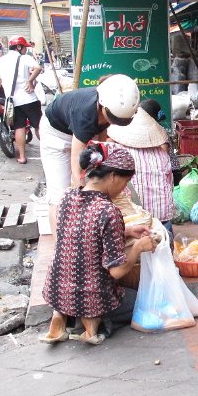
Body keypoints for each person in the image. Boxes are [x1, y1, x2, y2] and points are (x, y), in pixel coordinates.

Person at [40, 142, 157, 346]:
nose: (124, 189)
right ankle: (97, 322)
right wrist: (138, 247)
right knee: (143, 300)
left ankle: (65, 317)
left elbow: (83, 236)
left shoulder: (67, 196)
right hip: (91, 297)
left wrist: (127, 231)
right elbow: (117, 272)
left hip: (57, 291)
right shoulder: (108, 210)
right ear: (113, 176)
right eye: (125, 181)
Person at [38, 73, 140, 219]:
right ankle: (60, 240)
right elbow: (77, 165)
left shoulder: (107, 106)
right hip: (56, 135)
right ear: (102, 106)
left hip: (79, 129)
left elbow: (102, 133)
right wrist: (86, 198)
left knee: (93, 180)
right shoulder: (86, 113)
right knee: (60, 194)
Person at [107, 100, 176, 243]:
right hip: (163, 216)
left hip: (136, 220)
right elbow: (170, 184)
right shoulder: (162, 154)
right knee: (165, 245)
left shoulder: (121, 153)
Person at [0, 36, 43, 164]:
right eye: (25, 47)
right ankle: (49, 152)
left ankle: (22, 157)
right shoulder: (25, 58)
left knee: (19, 127)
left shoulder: (1, 60)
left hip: (13, 102)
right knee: (39, 126)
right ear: (19, 47)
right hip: (29, 99)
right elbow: (38, 68)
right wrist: (30, 81)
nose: (26, 50)